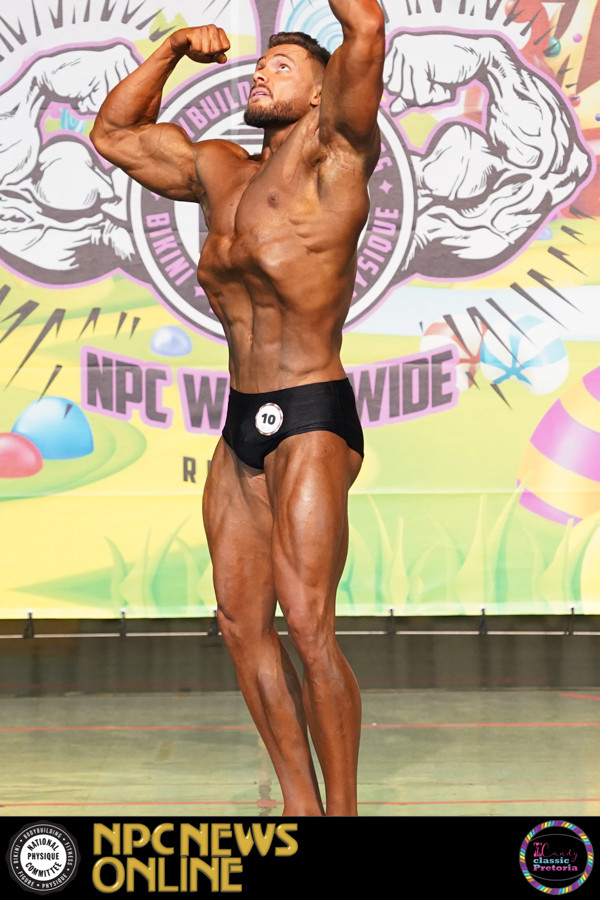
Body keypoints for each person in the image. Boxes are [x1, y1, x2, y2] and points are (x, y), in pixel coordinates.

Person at [91, 0, 385, 817]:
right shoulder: (217, 168)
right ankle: (299, 805)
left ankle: (344, 812)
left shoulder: (337, 154)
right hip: (241, 419)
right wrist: (171, 49)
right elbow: (113, 135)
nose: (262, 73)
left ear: (323, 93)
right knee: (239, 622)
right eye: (259, 66)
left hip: (312, 413)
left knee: (309, 624)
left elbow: (365, 27)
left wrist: (341, 37)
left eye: (281, 67)